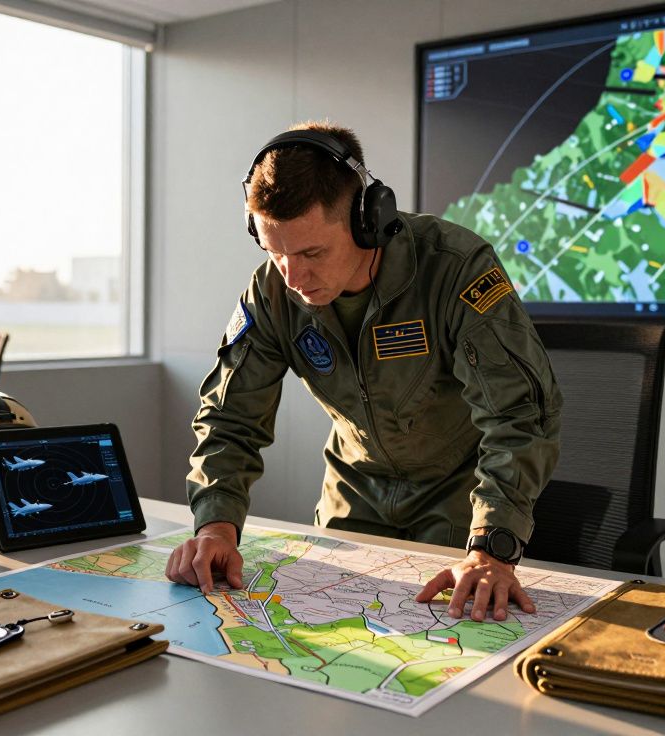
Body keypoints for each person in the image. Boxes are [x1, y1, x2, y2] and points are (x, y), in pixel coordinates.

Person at [165, 122, 563, 622]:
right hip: (352, 504)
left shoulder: (455, 268)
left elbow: (519, 415)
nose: (294, 277)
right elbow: (230, 418)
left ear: (367, 219)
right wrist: (215, 526)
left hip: (460, 509)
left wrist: (491, 548)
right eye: (274, 252)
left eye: (312, 252)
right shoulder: (271, 290)